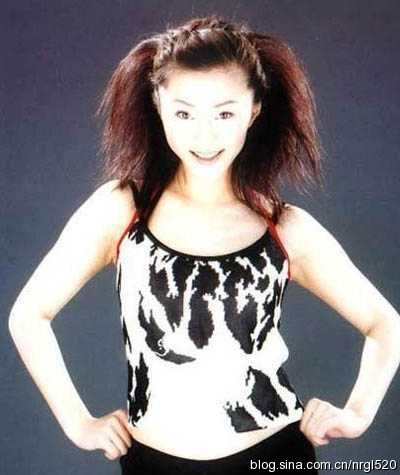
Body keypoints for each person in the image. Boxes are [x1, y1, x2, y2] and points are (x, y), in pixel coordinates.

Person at [8, 15, 400, 475]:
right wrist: (78, 423)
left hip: (273, 456)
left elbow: (385, 324)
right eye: (184, 113)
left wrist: (356, 414)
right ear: (158, 106)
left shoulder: (283, 228)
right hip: (152, 464)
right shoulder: (124, 210)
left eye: (224, 113)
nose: (205, 135)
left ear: (255, 110)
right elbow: (28, 314)